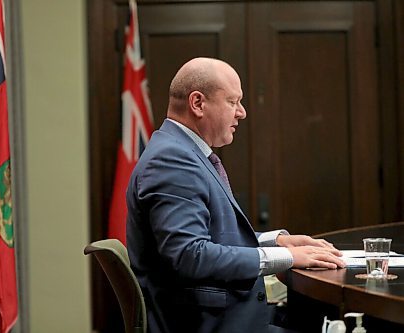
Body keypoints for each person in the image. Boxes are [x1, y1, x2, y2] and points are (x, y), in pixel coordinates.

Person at [126, 57, 346, 333]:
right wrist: (287, 257)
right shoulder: (172, 161)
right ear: (198, 103)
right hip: (209, 324)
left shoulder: (182, 152)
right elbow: (189, 255)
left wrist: (277, 241)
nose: (241, 112)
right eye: (233, 102)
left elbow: (210, 237)